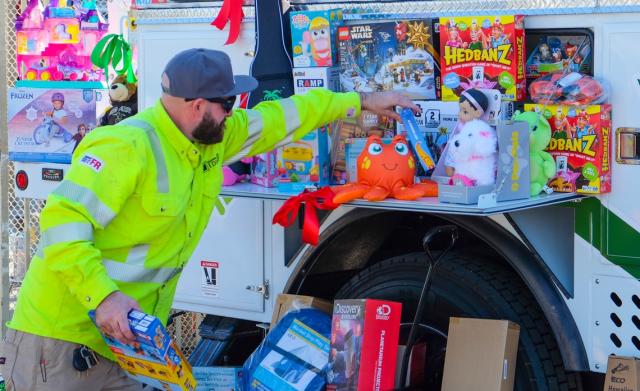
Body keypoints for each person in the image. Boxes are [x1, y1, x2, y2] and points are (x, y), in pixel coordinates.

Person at [0, 48, 417, 390]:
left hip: (121, 344)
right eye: (228, 102)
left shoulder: (207, 137)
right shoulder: (125, 146)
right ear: (197, 105)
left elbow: (280, 119)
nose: (234, 112)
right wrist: (103, 297)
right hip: (61, 342)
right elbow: (60, 223)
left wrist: (358, 101)